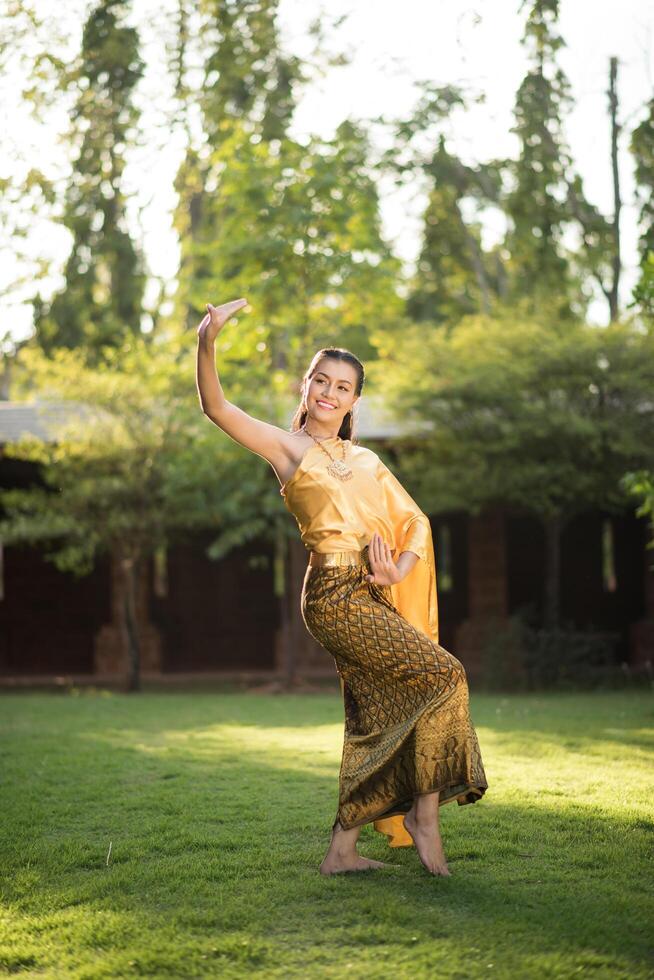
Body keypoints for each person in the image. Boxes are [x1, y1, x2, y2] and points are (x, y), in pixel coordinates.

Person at [196, 297, 488, 877]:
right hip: (332, 594)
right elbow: (216, 405)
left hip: (372, 590)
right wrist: (207, 340)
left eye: (343, 387)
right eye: (321, 381)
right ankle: (423, 819)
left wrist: (398, 571)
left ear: (355, 400)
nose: (330, 393)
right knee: (445, 675)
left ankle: (342, 850)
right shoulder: (287, 448)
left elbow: (415, 523)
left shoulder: (368, 461)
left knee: (373, 713)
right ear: (306, 387)